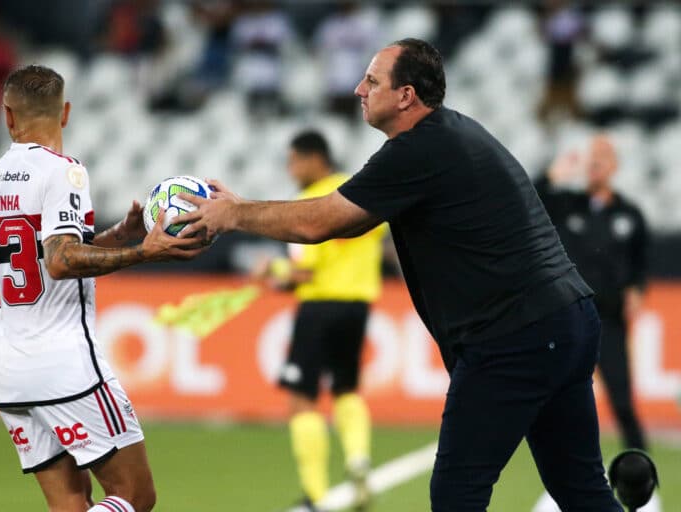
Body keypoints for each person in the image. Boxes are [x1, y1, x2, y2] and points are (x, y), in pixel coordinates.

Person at [174, 38, 623, 511]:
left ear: (406, 95)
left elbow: (320, 222)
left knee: (456, 494)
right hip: (566, 319)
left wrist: (234, 214)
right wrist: (240, 207)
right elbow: (343, 221)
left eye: (372, 81)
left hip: (515, 333)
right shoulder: (450, 134)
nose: (358, 89)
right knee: (582, 492)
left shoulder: (419, 149)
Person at [0, 65, 207, 512]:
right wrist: (143, 251)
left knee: (70, 503)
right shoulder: (64, 172)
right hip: (63, 366)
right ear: (65, 113)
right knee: (135, 495)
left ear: (7, 115)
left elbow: (44, 257)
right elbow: (61, 261)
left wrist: (115, 237)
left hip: (9, 370)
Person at [253, 130, 385, 511]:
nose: (291, 170)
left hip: (319, 306)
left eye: (294, 161)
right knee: (346, 388)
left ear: (315, 159)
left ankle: (316, 496)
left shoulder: (310, 202)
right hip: (357, 305)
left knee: (302, 400)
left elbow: (303, 271)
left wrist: (272, 270)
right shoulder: (360, 191)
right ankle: (358, 458)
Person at [532, 136, 660, 512]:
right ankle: (561, 481)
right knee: (557, 402)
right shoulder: (566, 204)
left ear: (614, 166)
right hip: (568, 318)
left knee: (622, 401)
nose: (594, 164)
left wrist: (637, 290)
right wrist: (551, 177)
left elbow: (641, 263)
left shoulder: (629, 214)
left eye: (602, 158)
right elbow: (528, 203)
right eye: (590, 157)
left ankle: (642, 481)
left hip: (610, 321)